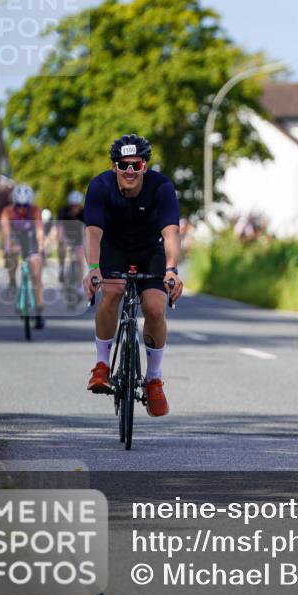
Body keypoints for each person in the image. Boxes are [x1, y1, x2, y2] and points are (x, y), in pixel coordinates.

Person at [83, 134, 183, 417]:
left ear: (145, 167)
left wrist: (172, 269)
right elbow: (92, 233)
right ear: (113, 166)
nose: (129, 171)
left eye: (135, 165)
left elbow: (171, 233)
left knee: (153, 307)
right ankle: (102, 365)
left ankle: (153, 379)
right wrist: (92, 270)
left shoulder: (161, 188)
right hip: (113, 248)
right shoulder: (100, 186)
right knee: (112, 291)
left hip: (149, 249)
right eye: (123, 165)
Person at [0, 184, 46, 329]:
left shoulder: (35, 211)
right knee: (11, 254)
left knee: (36, 276)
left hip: (30, 240)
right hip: (15, 238)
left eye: (24, 205)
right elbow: (6, 234)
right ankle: (12, 280)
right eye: (19, 205)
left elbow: (39, 231)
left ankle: (38, 313)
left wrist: (41, 247)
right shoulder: (7, 212)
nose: (21, 209)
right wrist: (7, 248)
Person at [57, 190, 86, 285]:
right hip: (66, 236)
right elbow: (60, 228)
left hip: (79, 237)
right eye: (72, 206)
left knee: (80, 258)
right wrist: (61, 240)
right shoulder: (63, 211)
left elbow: (85, 230)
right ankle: (61, 268)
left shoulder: (84, 212)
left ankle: (79, 284)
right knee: (62, 246)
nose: (74, 208)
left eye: (77, 206)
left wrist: (83, 243)